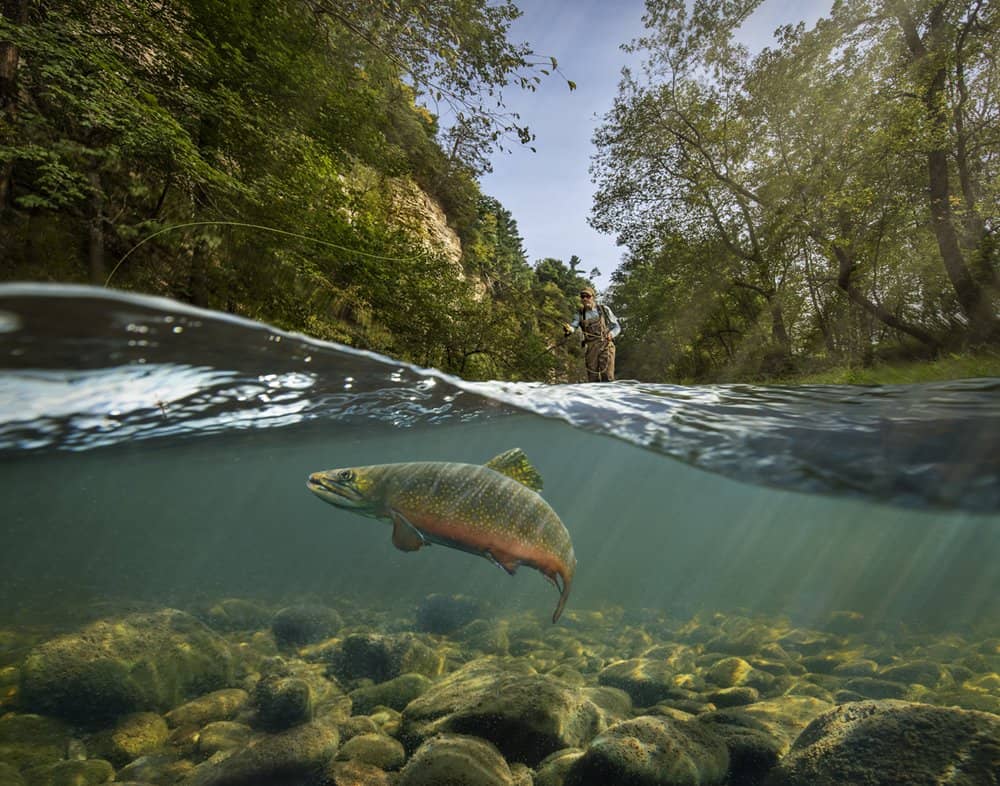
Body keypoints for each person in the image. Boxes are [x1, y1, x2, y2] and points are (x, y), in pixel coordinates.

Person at [563, 286, 620, 382]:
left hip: (606, 345)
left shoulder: (604, 309)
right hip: (590, 348)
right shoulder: (579, 314)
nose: (585, 299)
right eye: (582, 296)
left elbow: (617, 327)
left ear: (593, 297)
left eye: (587, 296)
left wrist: (611, 334)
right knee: (592, 379)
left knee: (607, 377)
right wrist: (569, 329)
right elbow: (574, 326)